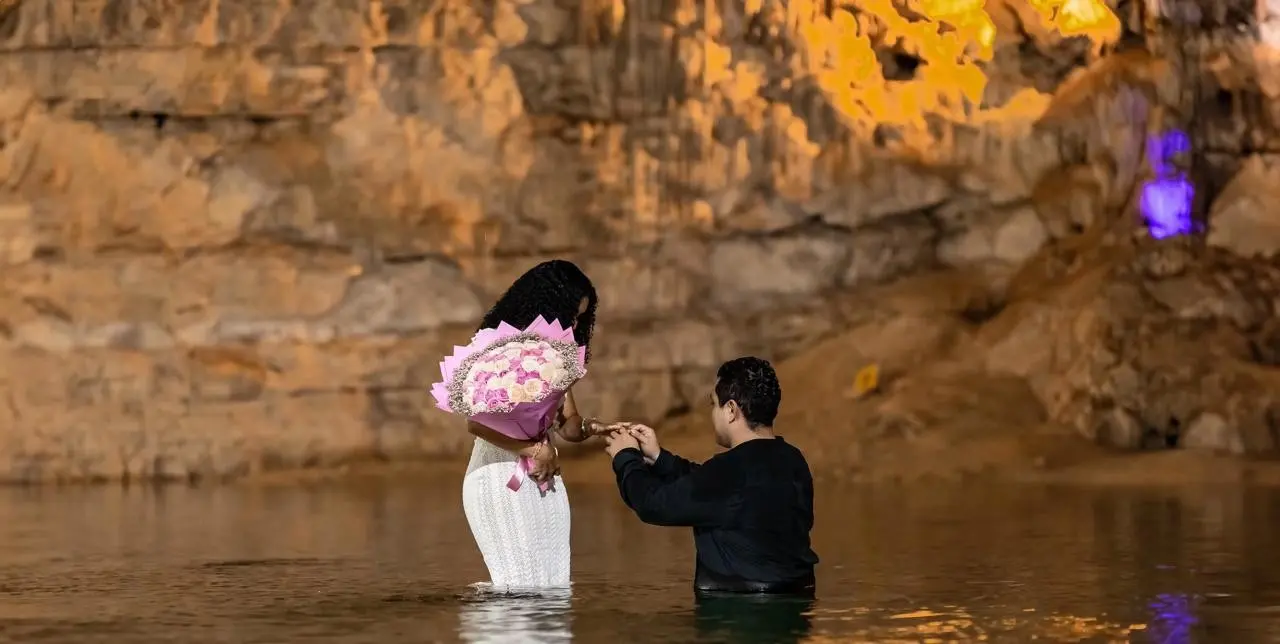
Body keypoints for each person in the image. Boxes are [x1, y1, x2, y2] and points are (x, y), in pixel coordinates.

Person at [604, 357, 819, 595]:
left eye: (713, 404)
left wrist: (625, 457)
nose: (712, 414)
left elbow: (651, 504)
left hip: (738, 614)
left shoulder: (729, 471)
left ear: (730, 410)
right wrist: (659, 458)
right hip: (798, 598)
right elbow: (717, 487)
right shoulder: (792, 459)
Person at [462, 260, 610, 588]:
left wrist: (592, 429)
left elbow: (566, 423)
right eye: (571, 314)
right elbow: (476, 422)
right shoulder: (498, 348)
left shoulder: (557, 358)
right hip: (500, 474)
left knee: (554, 582)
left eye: (580, 318)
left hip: (543, 476)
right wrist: (531, 448)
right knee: (519, 584)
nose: (574, 324)